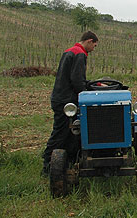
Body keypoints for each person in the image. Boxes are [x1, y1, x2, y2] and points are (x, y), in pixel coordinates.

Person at [42, 31, 99, 175]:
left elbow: (72, 77)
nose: (93, 49)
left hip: (61, 96)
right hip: (66, 100)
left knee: (70, 132)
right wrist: (86, 94)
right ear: (89, 41)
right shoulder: (80, 54)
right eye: (94, 46)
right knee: (61, 132)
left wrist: (93, 84)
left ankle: (68, 162)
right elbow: (77, 81)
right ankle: (48, 165)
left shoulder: (70, 51)